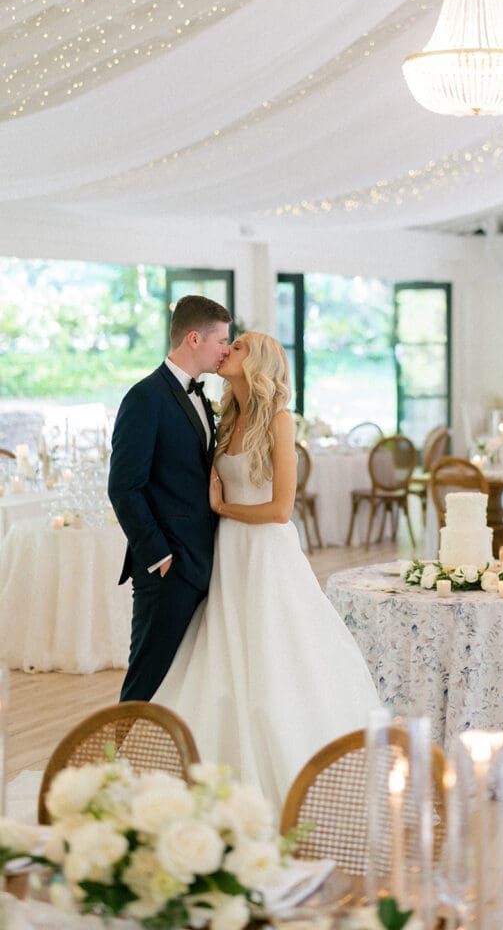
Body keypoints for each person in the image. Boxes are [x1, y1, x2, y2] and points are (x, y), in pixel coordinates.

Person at [152, 331, 380, 809]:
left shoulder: (278, 421)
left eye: (236, 347)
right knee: (226, 653)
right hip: (229, 555)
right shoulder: (227, 416)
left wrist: (222, 508)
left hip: (265, 554)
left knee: (274, 658)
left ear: (255, 363)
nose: (226, 350)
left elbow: (280, 510)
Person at [108, 294, 232, 702]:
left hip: (204, 559)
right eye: (221, 341)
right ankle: (119, 762)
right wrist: (159, 556)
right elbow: (124, 486)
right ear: (194, 339)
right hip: (169, 568)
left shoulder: (202, 396)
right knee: (146, 678)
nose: (226, 350)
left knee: (186, 683)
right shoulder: (145, 398)